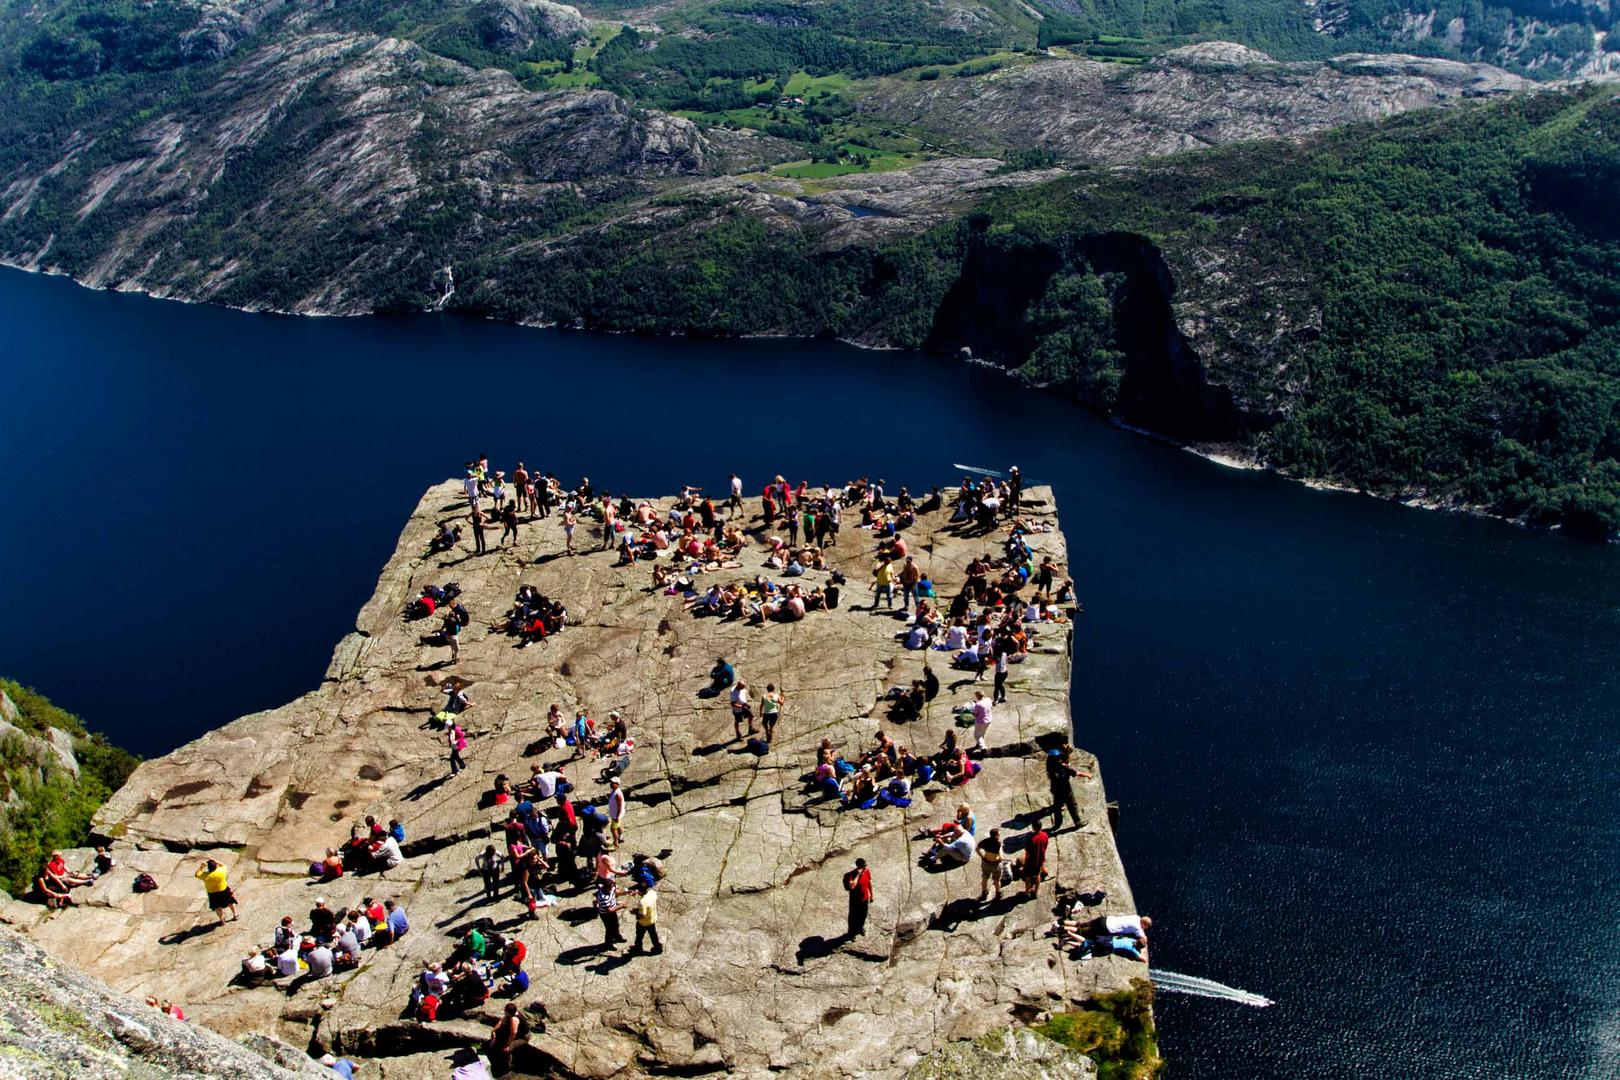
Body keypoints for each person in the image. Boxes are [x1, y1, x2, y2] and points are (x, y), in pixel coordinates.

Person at [1046, 745, 1088, 831]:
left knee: (1057, 808)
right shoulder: (1063, 768)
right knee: (1072, 806)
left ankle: (1057, 825)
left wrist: (1067, 753)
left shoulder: (1050, 767)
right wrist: (1088, 775)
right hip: (1066, 790)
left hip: (1056, 790)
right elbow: (1076, 773)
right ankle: (1078, 822)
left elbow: (1062, 760)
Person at [487, 1002, 526, 1075]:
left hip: (522, 1037)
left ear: (509, 1012)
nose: (504, 1012)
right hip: (514, 1034)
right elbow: (501, 1021)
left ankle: (507, 1067)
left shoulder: (514, 1019)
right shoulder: (510, 1014)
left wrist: (508, 1045)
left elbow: (513, 1033)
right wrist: (494, 1030)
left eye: (505, 1011)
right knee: (497, 1039)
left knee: (506, 1050)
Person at [194, 859, 237, 924]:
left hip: (212, 893)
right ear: (216, 866)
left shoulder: (205, 875)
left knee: (217, 907)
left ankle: (222, 920)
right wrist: (215, 860)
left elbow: (197, 874)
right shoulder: (221, 871)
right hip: (224, 890)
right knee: (230, 902)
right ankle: (235, 914)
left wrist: (201, 867)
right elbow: (223, 865)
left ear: (208, 868)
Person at [843, 858, 872, 938]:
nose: (865, 867)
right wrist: (858, 875)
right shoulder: (851, 875)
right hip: (855, 900)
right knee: (853, 917)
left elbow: (869, 882)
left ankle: (859, 928)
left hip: (864, 898)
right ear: (858, 866)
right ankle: (851, 932)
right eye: (863, 866)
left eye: (865, 865)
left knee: (863, 915)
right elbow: (852, 886)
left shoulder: (866, 871)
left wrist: (871, 895)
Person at [632, 882, 662, 955]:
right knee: (653, 935)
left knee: (639, 935)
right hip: (652, 918)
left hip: (644, 922)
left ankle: (637, 948)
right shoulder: (652, 893)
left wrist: (634, 912)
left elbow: (642, 915)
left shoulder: (643, 902)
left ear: (640, 891)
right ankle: (658, 948)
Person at [976, 828, 1005, 903]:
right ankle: (998, 894)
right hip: (995, 864)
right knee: (997, 880)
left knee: (985, 878)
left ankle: (984, 893)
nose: (999, 835)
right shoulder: (998, 843)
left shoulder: (985, 841)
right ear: (996, 836)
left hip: (986, 863)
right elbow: (1001, 858)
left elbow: (977, 849)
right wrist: (1001, 849)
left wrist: (982, 856)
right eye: (998, 834)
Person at [1019, 827, 1050, 896]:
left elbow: (1027, 853)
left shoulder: (1030, 839)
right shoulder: (1045, 835)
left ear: (1033, 827)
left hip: (1031, 861)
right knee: (1037, 875)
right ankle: (1035, 892)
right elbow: (1045, 846)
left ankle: (1027, 893)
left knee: (1027, 877)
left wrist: (1025, 864)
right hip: (1039, 859)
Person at [595, 878, 624, 948]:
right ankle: (608, 944)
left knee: (616, 925)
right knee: (609, 929)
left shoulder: (610, 888)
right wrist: (621, 906)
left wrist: (627, 892)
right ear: (606, 888)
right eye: (611, 888)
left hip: (612, 912)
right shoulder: (604, 898)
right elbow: (610, 910)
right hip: (606, 915)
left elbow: (616, 892)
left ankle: (617, 937)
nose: (612, 889)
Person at [606, 777, 626, 847]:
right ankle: (621, 836)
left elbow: (619, 806)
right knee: (618, 826)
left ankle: (615, 842)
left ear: (617, 784)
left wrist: (617, 816)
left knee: (613, 829)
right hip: (614, 813)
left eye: (613, 783)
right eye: (611, 782)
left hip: (616, 815)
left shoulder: (618, 793)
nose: (611, 784)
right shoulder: (613, 791)